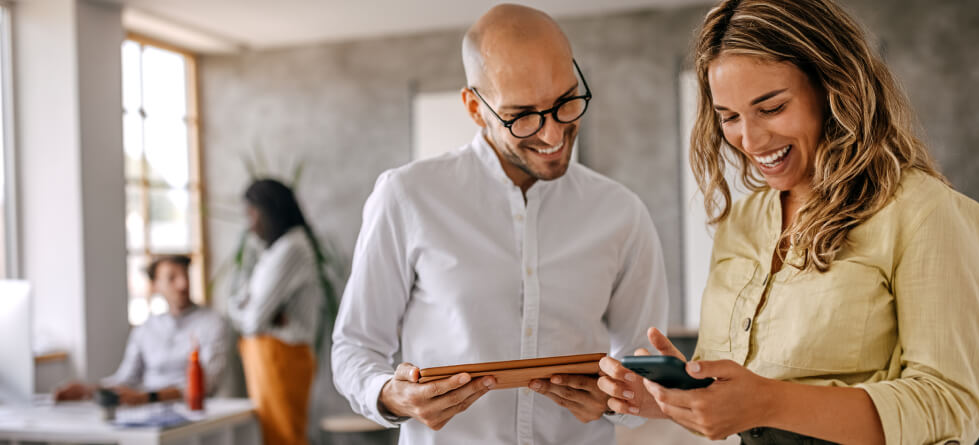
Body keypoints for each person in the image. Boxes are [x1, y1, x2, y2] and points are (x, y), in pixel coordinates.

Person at [597, 0, 979, 443]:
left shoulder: (926, 213)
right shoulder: (744, 221)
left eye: (771, 107)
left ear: (834, 87)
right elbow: (738, 396)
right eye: (729, 117)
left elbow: (950, 405)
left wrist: (768, 401)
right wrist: (662, 397)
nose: (750, 140)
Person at [331, 4, 669, 444]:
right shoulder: (407, 196)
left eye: (566, 102)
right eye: (523, 115)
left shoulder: (621, 213)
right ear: (475, 108)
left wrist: (617, 399)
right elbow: (355, 348)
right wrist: (392, 396)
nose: (552, 135)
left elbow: (646, 368)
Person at [227, 178, 325, 445]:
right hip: (269, 356)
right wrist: (258, 313)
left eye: (252, 213)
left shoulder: (291, 248)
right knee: (274, 436)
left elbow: (252, 321)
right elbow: (237, 304)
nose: (250, 223)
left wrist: (253, 312)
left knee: (286, 438)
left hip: (282, 356)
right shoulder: (275, 251)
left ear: (269, 210)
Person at [54, 255, 229, 405]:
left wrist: (147, 397)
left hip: (191, 409)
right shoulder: (146, 329)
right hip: (147, 408)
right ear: (155, 285)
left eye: (185, 276)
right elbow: (125, 379)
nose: (182, 284)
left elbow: (206, 385)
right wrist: (88, 390)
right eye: (172, 278)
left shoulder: (212, 323)